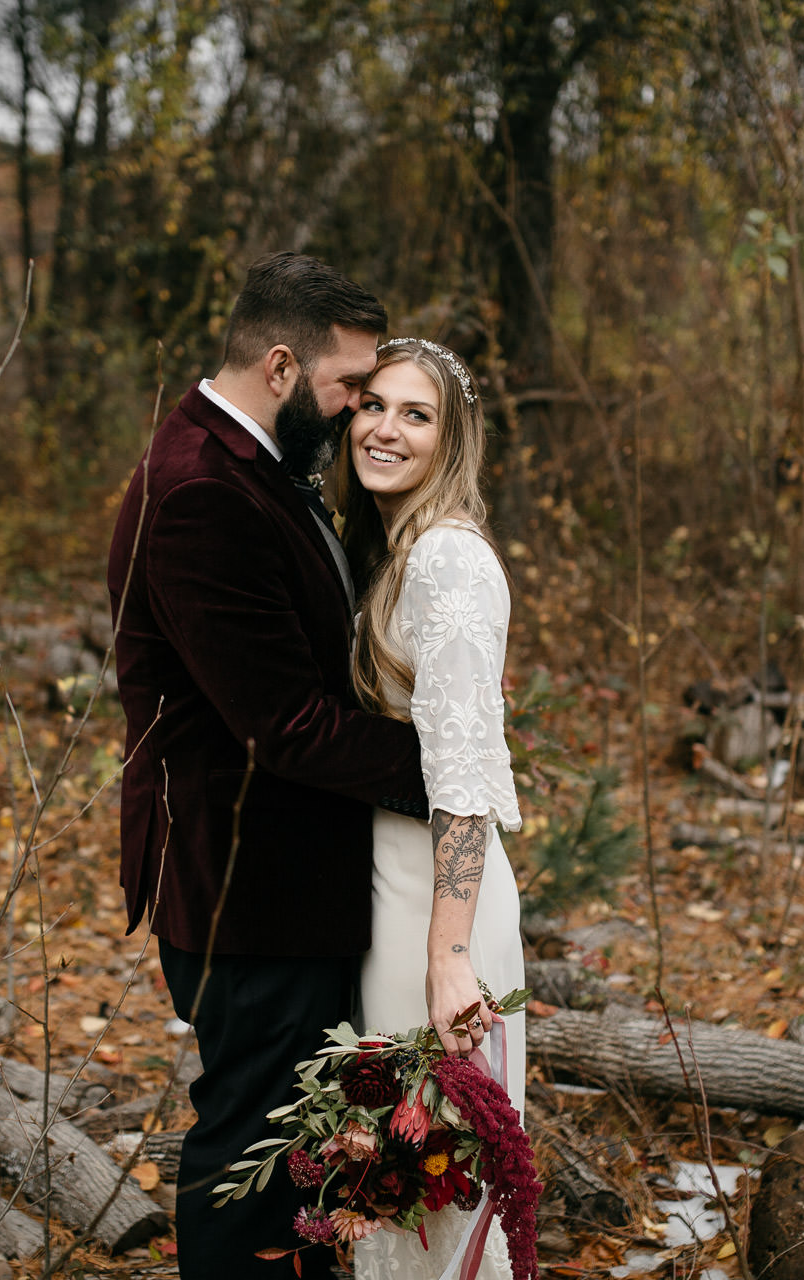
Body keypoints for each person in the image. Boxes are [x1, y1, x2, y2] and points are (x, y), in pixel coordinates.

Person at [105, 254, 433, 1280]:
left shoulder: (250, 464)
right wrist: (449, 762)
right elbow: (286, 724)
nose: (358, 411)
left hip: (281, 878)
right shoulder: (203, 491)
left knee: (297, 1151)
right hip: (247, 887)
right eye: (349, 386)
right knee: (252, 1155)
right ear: (282, 366)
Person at [337, 337, 526, 1280]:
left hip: (437, 911)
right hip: (394, 891)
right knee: (394, 1179)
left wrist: (448, 959)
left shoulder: (448, 559)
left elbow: (463, 777)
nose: (386, 429)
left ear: (451, 441)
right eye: (373, 405)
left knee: (430, 1183)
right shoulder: (396, 550)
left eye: (417, 415)